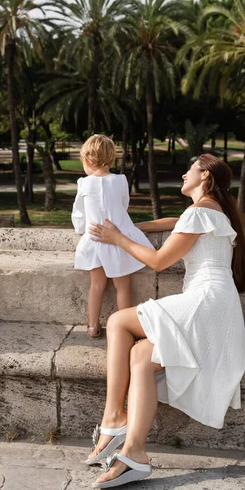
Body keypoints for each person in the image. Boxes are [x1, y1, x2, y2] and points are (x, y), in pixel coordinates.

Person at [86, 154, 245, 490]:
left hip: (205, 302)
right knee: (141, 357)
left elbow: (160, 261)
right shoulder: (210, 210)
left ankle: (114, 417)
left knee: (118, 322)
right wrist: (134, 227)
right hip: (216, 305)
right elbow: (176, 221)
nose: (182, 173)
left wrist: (119, 239)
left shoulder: (202, 211)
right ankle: (135, 455)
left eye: (188, 170)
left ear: (203, 175)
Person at [71, 134, 153, 339]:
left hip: (95, 239)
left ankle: (92, 326)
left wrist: (80, 229)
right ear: (111, 159)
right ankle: (126, 326)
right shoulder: (121, 180)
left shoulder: (83, 183)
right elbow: (123, 205)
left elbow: (78, 212)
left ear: (88, 161)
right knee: (122, 285)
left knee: (97, 284)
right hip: (117, 238)